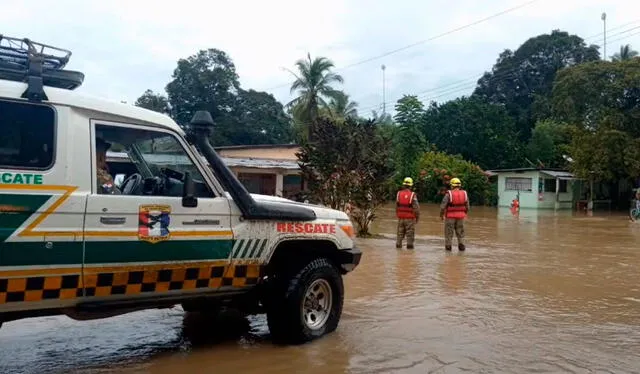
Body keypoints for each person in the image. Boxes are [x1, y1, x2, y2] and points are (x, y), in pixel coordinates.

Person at [439, 177, 469, 251]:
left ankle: (448, 249)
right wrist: (464, 214)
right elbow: (467, 207)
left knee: (449, 234)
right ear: (459, 185)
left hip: (450, 217)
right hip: (461, 217)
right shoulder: (464, 194)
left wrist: (441, 215)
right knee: (461, 233)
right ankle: (461, 246)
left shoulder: (448, 194)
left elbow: (443, 206)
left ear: (452, 185)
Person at [395, 177, 420, 249]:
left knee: (399, 234)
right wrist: (417, 217)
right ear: (411, 185)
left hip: (401, 217)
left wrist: (398, 215)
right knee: (410, 234)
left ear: (403, 185)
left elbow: (396, 206)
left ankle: (398, 246)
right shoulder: (412, 195)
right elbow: (416, 208)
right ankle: (409, 250)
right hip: (410, 218)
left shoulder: (398, 193)